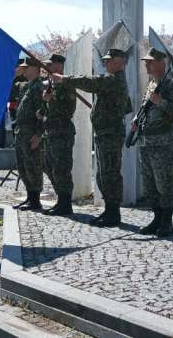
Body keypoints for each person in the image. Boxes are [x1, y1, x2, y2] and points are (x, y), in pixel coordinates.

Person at [52, 49, 132, 226]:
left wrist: (65, 79)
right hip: (106, 133)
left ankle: (113, 213)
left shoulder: (114, 80)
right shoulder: (114, 81)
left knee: (110, 174)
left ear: (120, 62)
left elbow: (90, 82)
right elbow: (126, 107)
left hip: (110, 134)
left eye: (109, 61)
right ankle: (109, 210)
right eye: (105, 61)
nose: (106, 64)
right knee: (103, 174)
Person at [133, 48, 173, 237]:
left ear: (161, 63)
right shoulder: (151, 84)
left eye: (150, 61)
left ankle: (167, 221)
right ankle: (156, 218)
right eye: (146, 61)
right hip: (147, 140)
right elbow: (144, 106)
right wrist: (136, 120)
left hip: (163, 142)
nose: (146, 64)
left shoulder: (170, 85)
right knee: (149, 183)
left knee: (164, 183)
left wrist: (161, 102)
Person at [41, 54, 78, 216]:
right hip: (51, 131)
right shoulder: (51, 84)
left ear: (59, 66)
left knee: (62, 168)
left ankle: (65, 202)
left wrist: (51, 100)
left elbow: (68, 110)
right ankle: (60, 198)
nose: (47, 67)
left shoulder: (66, 84)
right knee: (49, 166)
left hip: (62, 131)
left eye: (51, 64)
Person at [12, 59, 47, 211]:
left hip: (31, 131)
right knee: (23, 167)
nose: (24, 71)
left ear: (36, 69)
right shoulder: (26, 86)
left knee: (33, 166)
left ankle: (35, 200)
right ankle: (30, 197)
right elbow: (7, 89)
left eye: (27, 68)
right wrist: (14, 75)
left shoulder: (39, 86)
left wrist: (39, 134)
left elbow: (44, 111)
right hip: (21, 131)